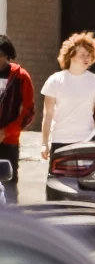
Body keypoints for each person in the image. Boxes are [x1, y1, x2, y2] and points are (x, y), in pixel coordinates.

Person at [40, 32, 95, 160]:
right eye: (82, 54)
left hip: (85, 141)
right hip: (60, 140)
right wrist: (44, 143)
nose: (86, 58)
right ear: (71, 55)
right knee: (58, 179)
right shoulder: (55, 80)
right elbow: (47, 114)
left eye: (89, 55)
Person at [0, 36, 35, 201]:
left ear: (7, 55)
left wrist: (7, 132)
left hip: (9, 141)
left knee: (9, 185)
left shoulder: (21, 77)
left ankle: (11, 224)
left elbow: (28, 112)